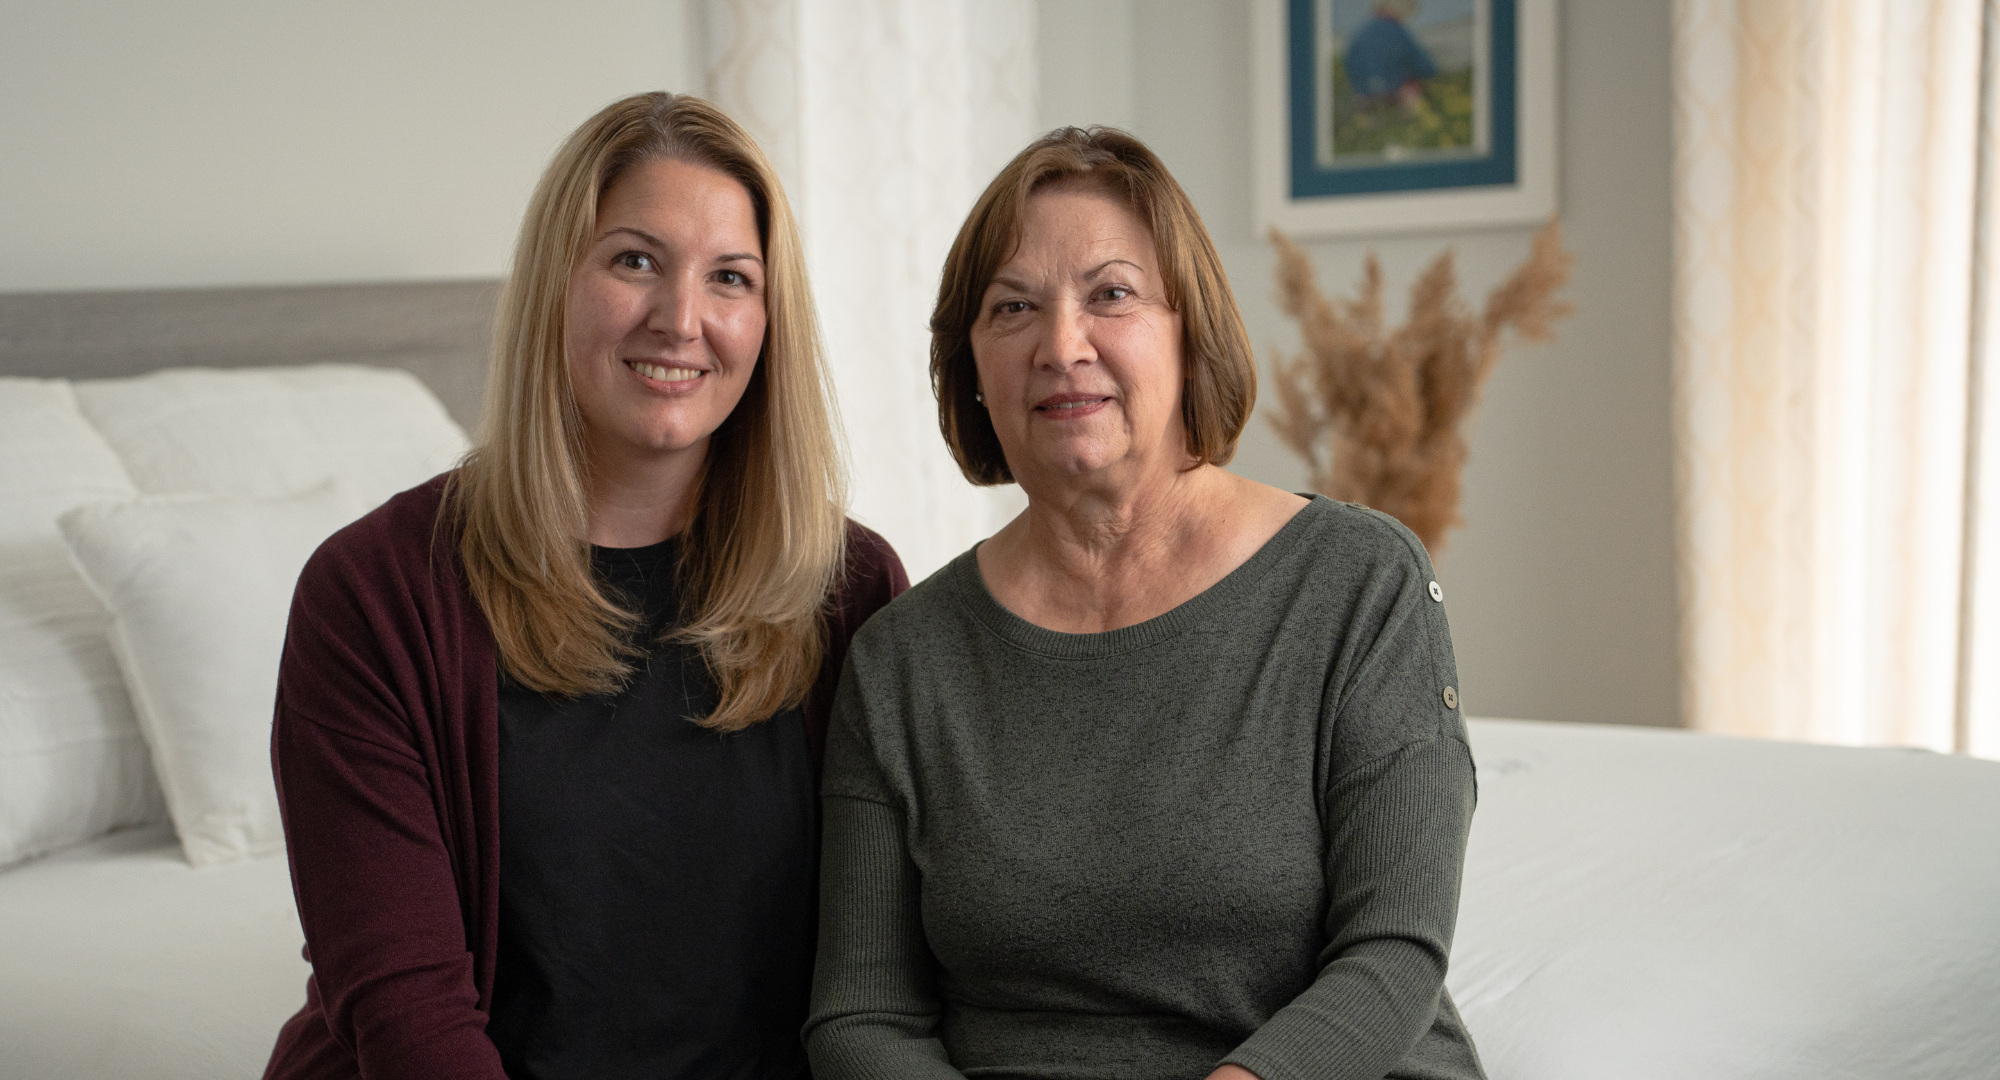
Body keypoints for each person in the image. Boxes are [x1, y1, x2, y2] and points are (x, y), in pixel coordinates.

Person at [805, 127, 1483, 1080]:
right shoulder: (903, 659)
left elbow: (1394, 953)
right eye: (1013, 308)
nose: (1060, 345)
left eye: (1111, 294)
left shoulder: (1359, 584)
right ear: (971, 368)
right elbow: (862, 1015)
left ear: (1189, 331)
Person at [262, 92, 906, 1080]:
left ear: (768, 323)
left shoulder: (850, 589)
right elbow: (405, 1012)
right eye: (634, 260)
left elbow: (880, 976)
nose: (680, 319)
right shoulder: (372, 596)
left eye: (729, 277)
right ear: (554, 284)